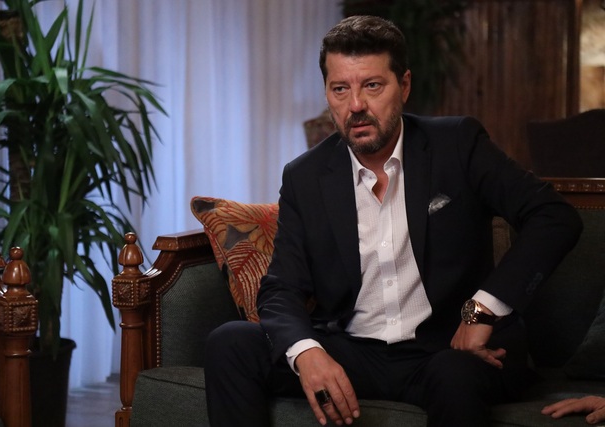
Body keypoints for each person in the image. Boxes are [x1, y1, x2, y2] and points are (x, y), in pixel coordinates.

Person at [204, 15, 583, 427]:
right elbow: (282, 287)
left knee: (454, 376)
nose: (355, 106)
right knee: (231, 343)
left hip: (447, 349)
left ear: (403, 85)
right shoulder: (305, 176)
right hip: (353, 350)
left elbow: (554, 216)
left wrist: (482, 310)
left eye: (372, 85)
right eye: (340, 89)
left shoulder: (457, 144)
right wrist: (307, 351)